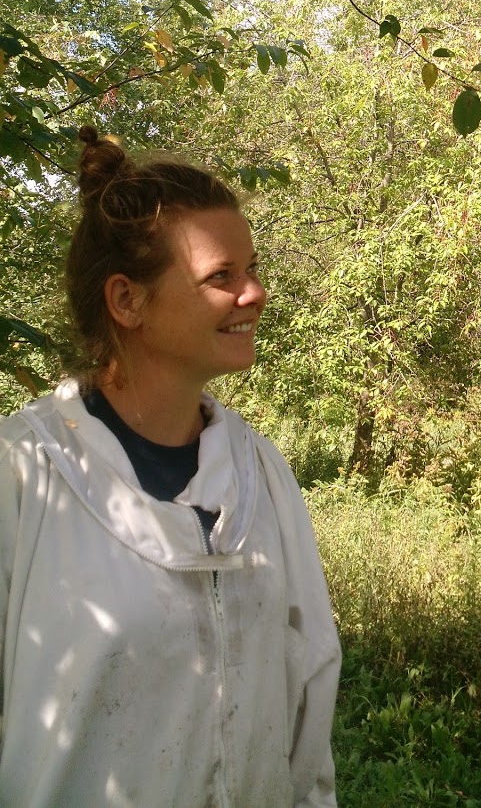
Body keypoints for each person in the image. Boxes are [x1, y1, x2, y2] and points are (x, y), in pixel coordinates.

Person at [0, 127, 341, 807]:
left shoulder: (260, 474)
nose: (256, 293)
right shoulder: (24, 474)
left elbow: (308, 687)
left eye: (253, 269)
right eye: (223, 276)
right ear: (127, 301)